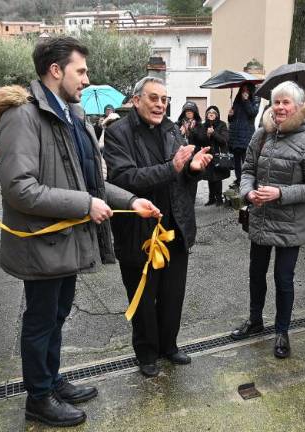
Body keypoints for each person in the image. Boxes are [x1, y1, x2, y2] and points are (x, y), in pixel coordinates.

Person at [0, 37, 161, 427]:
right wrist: (84, 206)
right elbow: (19, 188)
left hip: (62, 240)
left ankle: (51, 380)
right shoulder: (23, 116)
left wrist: (129, 201)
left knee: (58, 314)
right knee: (41, 320)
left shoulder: (70, 115)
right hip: (42, 242)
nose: (86, 79)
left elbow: (91, 180)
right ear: (55, 70)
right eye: (80, 71)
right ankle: (39, 397)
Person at [104, 76, 212, 378]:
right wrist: (173, 167)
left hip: (174, 225)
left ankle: (170, 345)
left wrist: (191, 170)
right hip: (139, 232)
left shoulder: (170, 129)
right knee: (144, 298)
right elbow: (125, 179)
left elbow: (180, 176)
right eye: (153, 98)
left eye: (164, 99)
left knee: (173, 293)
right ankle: (147, 352)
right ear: (136, 100)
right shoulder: (117, 133)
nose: (160, 104)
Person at [229, 81, 305, 359]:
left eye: (286, 103)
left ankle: (282, 331)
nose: (280, 108)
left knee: (284, 279)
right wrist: (248, 193)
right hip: (261, 217)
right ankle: (255, 320)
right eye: (276, 102)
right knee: (256, 274)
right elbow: (247, 170)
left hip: (290, 223)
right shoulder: (261, 135)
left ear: (298, 106)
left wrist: (280, 193)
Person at [193, 106, 229, 206]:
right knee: (210, 177)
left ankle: (219, 199)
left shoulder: (222, 125)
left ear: (217, 115)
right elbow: (200, 140)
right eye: (209, 113)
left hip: (218, 155)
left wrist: (213, 133)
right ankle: (211, 198)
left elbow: (224, 140)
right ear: (206, 115)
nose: (211, 114)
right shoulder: (203, 126)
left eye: (213, 113)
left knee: (217, 178)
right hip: (208, 155)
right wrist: (207, 135)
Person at [227, 83, 260, 188]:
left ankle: (247, 182)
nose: (244, 92)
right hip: (235, 136)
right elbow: (232, 119)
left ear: (250, 91)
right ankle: (239, 180)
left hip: (246, 135)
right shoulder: (237, 100)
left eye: (247, 90)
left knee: (246, 161)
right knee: (236, 162)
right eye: (243, 90)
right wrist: (230, 115)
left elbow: (252, 113)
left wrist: (246, 101)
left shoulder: (255, 99)